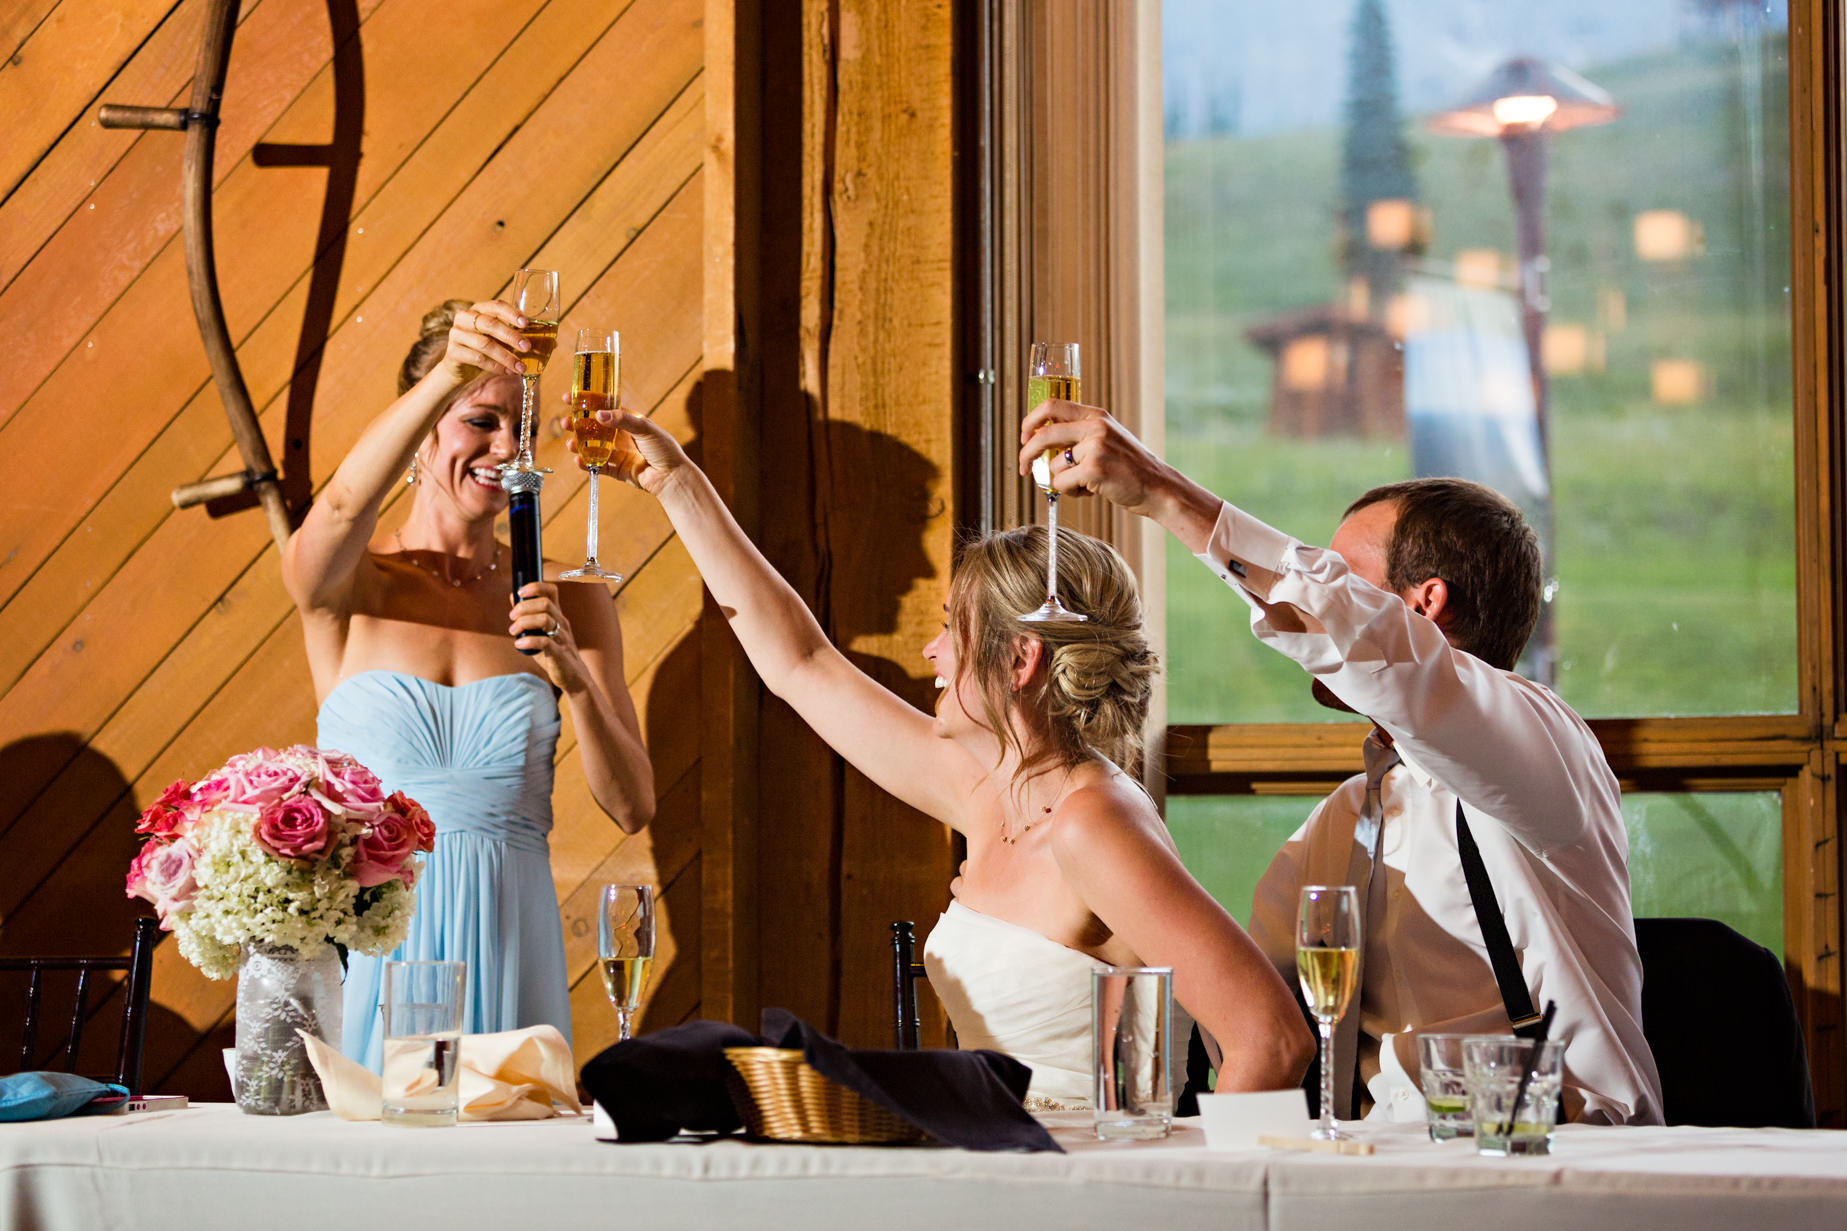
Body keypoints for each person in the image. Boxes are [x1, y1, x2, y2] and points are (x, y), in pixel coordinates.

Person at [583, 407, 1310, 1106]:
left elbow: (1269, 1040)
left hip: (1088, 1187)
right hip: (990, 1161)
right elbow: (800, 664)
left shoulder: (1094, 825)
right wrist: (675, 483)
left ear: (1018, 658)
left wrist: (1198, 1201)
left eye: (948, 629)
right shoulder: (990, 789)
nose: (931, 652)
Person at [1017, 399, 1664, 1126]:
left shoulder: (1543, 744)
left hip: (1567, 1160)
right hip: (1381, 1171)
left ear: (1422, 608)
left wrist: (1162, 493)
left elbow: (1384, 654)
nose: (1297, 604)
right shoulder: (1343, 823)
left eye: (1338, 579)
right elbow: (1246, 1018)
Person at [281, 299, 654, 1070]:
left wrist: (576, 680)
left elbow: (632, 805)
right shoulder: (349, 586)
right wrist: (452, 367)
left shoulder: (570, 600)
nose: (506, 448)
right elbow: (343, 505)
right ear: (422, 430)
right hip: (377, 949)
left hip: (512, 936)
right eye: (480, 420)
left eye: (522, 426)